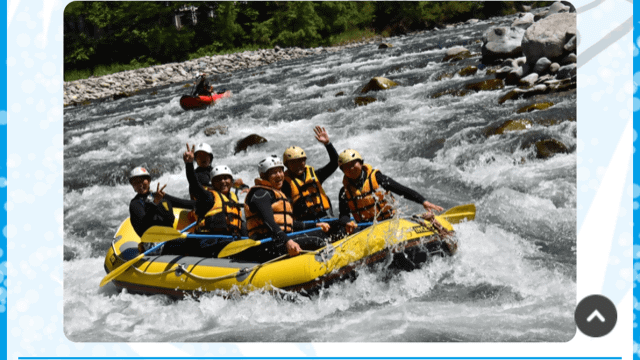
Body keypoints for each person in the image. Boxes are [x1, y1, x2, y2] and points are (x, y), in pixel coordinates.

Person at [337, 149, 444, 234]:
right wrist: (347, 222)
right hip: (366, 229)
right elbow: (343, 215)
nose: (350, 168)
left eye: (353, 164)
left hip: (389, 222)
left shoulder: (377, 178)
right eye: (346, 167)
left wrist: (423, 201)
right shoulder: (344, 191)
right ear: (343, 171)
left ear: (360, 163)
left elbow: (401, 189)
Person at [244, 155, 330, 259]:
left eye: (280, 171)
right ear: (263, 175)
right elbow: (269, 222)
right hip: (266, 244)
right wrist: (287, 241)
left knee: (322, 232)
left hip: (279, 240)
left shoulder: (276, 193)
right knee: (318, 240)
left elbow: (288, 223)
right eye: (274, 172)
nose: (279, 175)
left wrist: (315, 225)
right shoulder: (260, 194)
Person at [183, 145, 247, 238]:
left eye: (205, 156)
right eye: (199, 156)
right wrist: (189, 164)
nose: (223, 182)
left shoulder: (232, 195)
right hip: (211, 236)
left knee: (244, 226)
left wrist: (244, 186)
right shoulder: (208, 194)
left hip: (231, 235)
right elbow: (194, 184)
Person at [281, 126, 338, 221]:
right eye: (293, 162)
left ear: (305, 161)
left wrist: (327, 144)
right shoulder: (285, 184)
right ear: (287, 165)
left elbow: (335, 162)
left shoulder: (316, 175)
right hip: (305, 224)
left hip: (324, 218)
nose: (298, 165)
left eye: (301, 161)